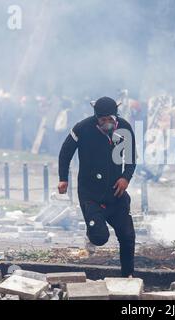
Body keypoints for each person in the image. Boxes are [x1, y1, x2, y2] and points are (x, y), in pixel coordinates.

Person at [58, 96, 137, 277]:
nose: (107, 123)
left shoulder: (124, 128)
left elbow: (131, 158)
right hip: (90, 194)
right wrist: (63, 178)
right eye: (103, 120)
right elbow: (65, 152)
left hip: (116, 193)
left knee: (128, 236)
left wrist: (126, 178)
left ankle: (128, 276)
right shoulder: (82, 128)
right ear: (96, 117)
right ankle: (92, 231)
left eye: (110, 119)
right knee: (100, 238)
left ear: (115, 116)